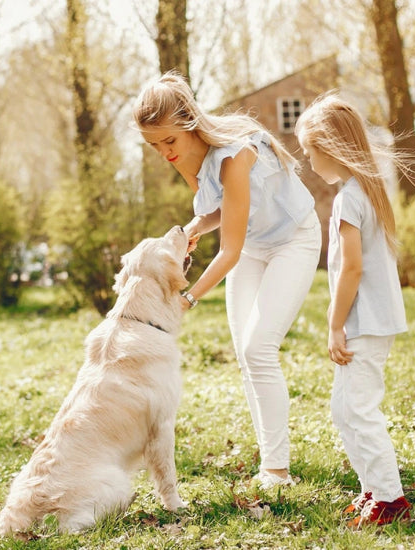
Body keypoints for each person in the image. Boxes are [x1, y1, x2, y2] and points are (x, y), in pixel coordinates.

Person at [132, 71, 321, 489]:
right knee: (245, 355)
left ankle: (277, 471)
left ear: (189, 123)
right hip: (254, 244)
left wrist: (186, 300)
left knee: (259, 348)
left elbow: (229, 251)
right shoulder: (186, 157)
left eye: (169, 141)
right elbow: (225, 210)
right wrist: (196, 225)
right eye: (153, 145)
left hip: (293, 239)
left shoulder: (236, 156)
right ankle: (270, 461)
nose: (164, 153)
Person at [294, 92, 412, 526]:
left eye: (309, 152)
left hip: (363, 322)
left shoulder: (348, 198)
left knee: (357, 410)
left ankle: (389, 498)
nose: (308, 161)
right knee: (345, 410)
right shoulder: (368, 189)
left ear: (329, 147)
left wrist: (334, 323)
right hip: (374, 321)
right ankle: (371, 489)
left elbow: (352, 269)